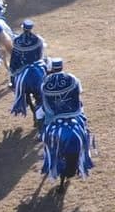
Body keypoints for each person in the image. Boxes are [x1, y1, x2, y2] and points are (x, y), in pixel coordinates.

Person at [38, 57, 95, 187]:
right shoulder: (72, 79)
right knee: (83, 125)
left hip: (54, 117)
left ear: (51, 69)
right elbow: (78, 93)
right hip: (74, 114)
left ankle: (42, 138)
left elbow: (44, 102)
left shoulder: (45, 82)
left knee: (39, 117)